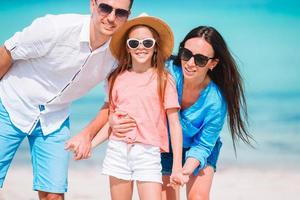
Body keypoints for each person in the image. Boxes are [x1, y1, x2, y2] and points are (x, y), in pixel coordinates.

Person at [0, 0, 134, 199]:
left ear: (128, 16)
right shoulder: (55, 28)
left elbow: (111, 101)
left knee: (54, 195)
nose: (112, 18)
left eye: (120, 13)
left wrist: (87, 135)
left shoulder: (118, 55)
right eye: (105, 8)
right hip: (10, 104)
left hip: (55, 118)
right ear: (93, 4)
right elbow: (7, 51)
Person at [109, 26, 253, 200]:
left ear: (213, 63)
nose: (190, 63)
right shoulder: (166, 71)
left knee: (198, 197)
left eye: (200, 59)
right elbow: (133, 95)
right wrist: (113, 119)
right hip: (165, 147)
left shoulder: (216, 101)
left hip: (199, 148)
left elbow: (203, 146)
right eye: (186, 54)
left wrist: (184, 171)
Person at [90, 14, 186, 200]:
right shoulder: (115, 79)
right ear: (127, 47)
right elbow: (113, 122)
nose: (140, 47)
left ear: (155, 46)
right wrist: (90, 145)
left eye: (147, 43)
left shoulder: (164, 79)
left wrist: (176, 167)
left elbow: (175, 125)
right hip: (117, 151)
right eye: (134, 43)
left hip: (148, 154)